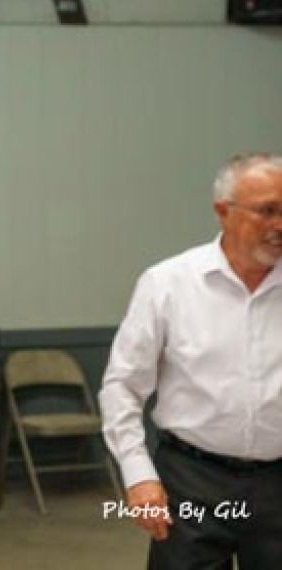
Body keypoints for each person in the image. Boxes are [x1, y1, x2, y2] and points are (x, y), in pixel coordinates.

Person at [99, 153, 282, 569]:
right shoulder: (168, 285)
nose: (280, 225)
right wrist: (138, 474)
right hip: (192, 480)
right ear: (223, 211)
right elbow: (123, 387)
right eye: (267, 211)